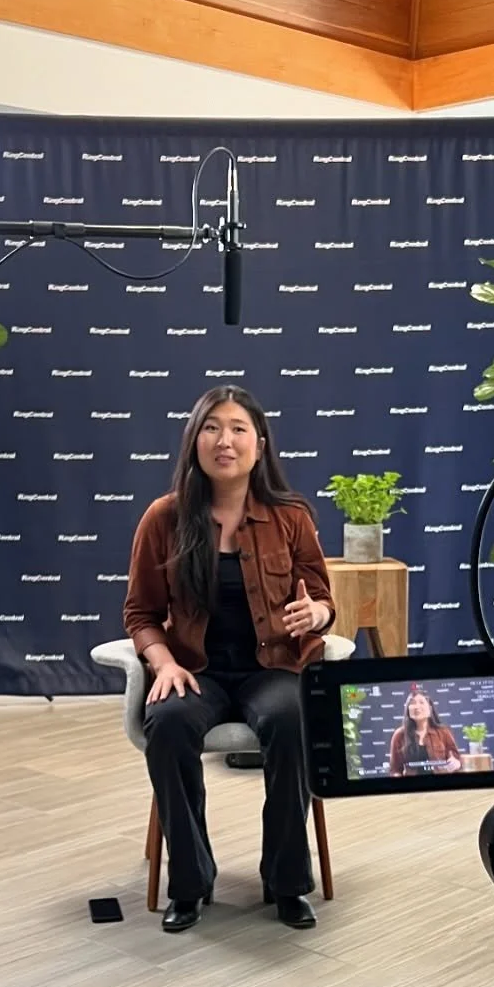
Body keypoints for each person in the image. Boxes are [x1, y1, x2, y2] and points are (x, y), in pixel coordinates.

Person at [123, 385, 335, 932]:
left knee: (291, 722)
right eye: (212, 427)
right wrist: (163, 663)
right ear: (195, 442)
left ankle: (286, 883)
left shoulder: (290, 516)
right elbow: (140, 613)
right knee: (167, 725)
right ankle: (190, 884)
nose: (226, 440)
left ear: (259, 445)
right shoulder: (164, 518)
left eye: (239, 428)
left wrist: (316, 617)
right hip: (197, 669)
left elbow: (324, 600)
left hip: (274, 668)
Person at [388, 688, 463, 777]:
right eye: (412, 703)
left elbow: (458, 760)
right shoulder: (399, 735)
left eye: (421, 702)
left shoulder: (443, 732)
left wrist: (456, 763)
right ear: (408, 709)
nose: (417, 706)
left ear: (430, 708)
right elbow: (394, 769)